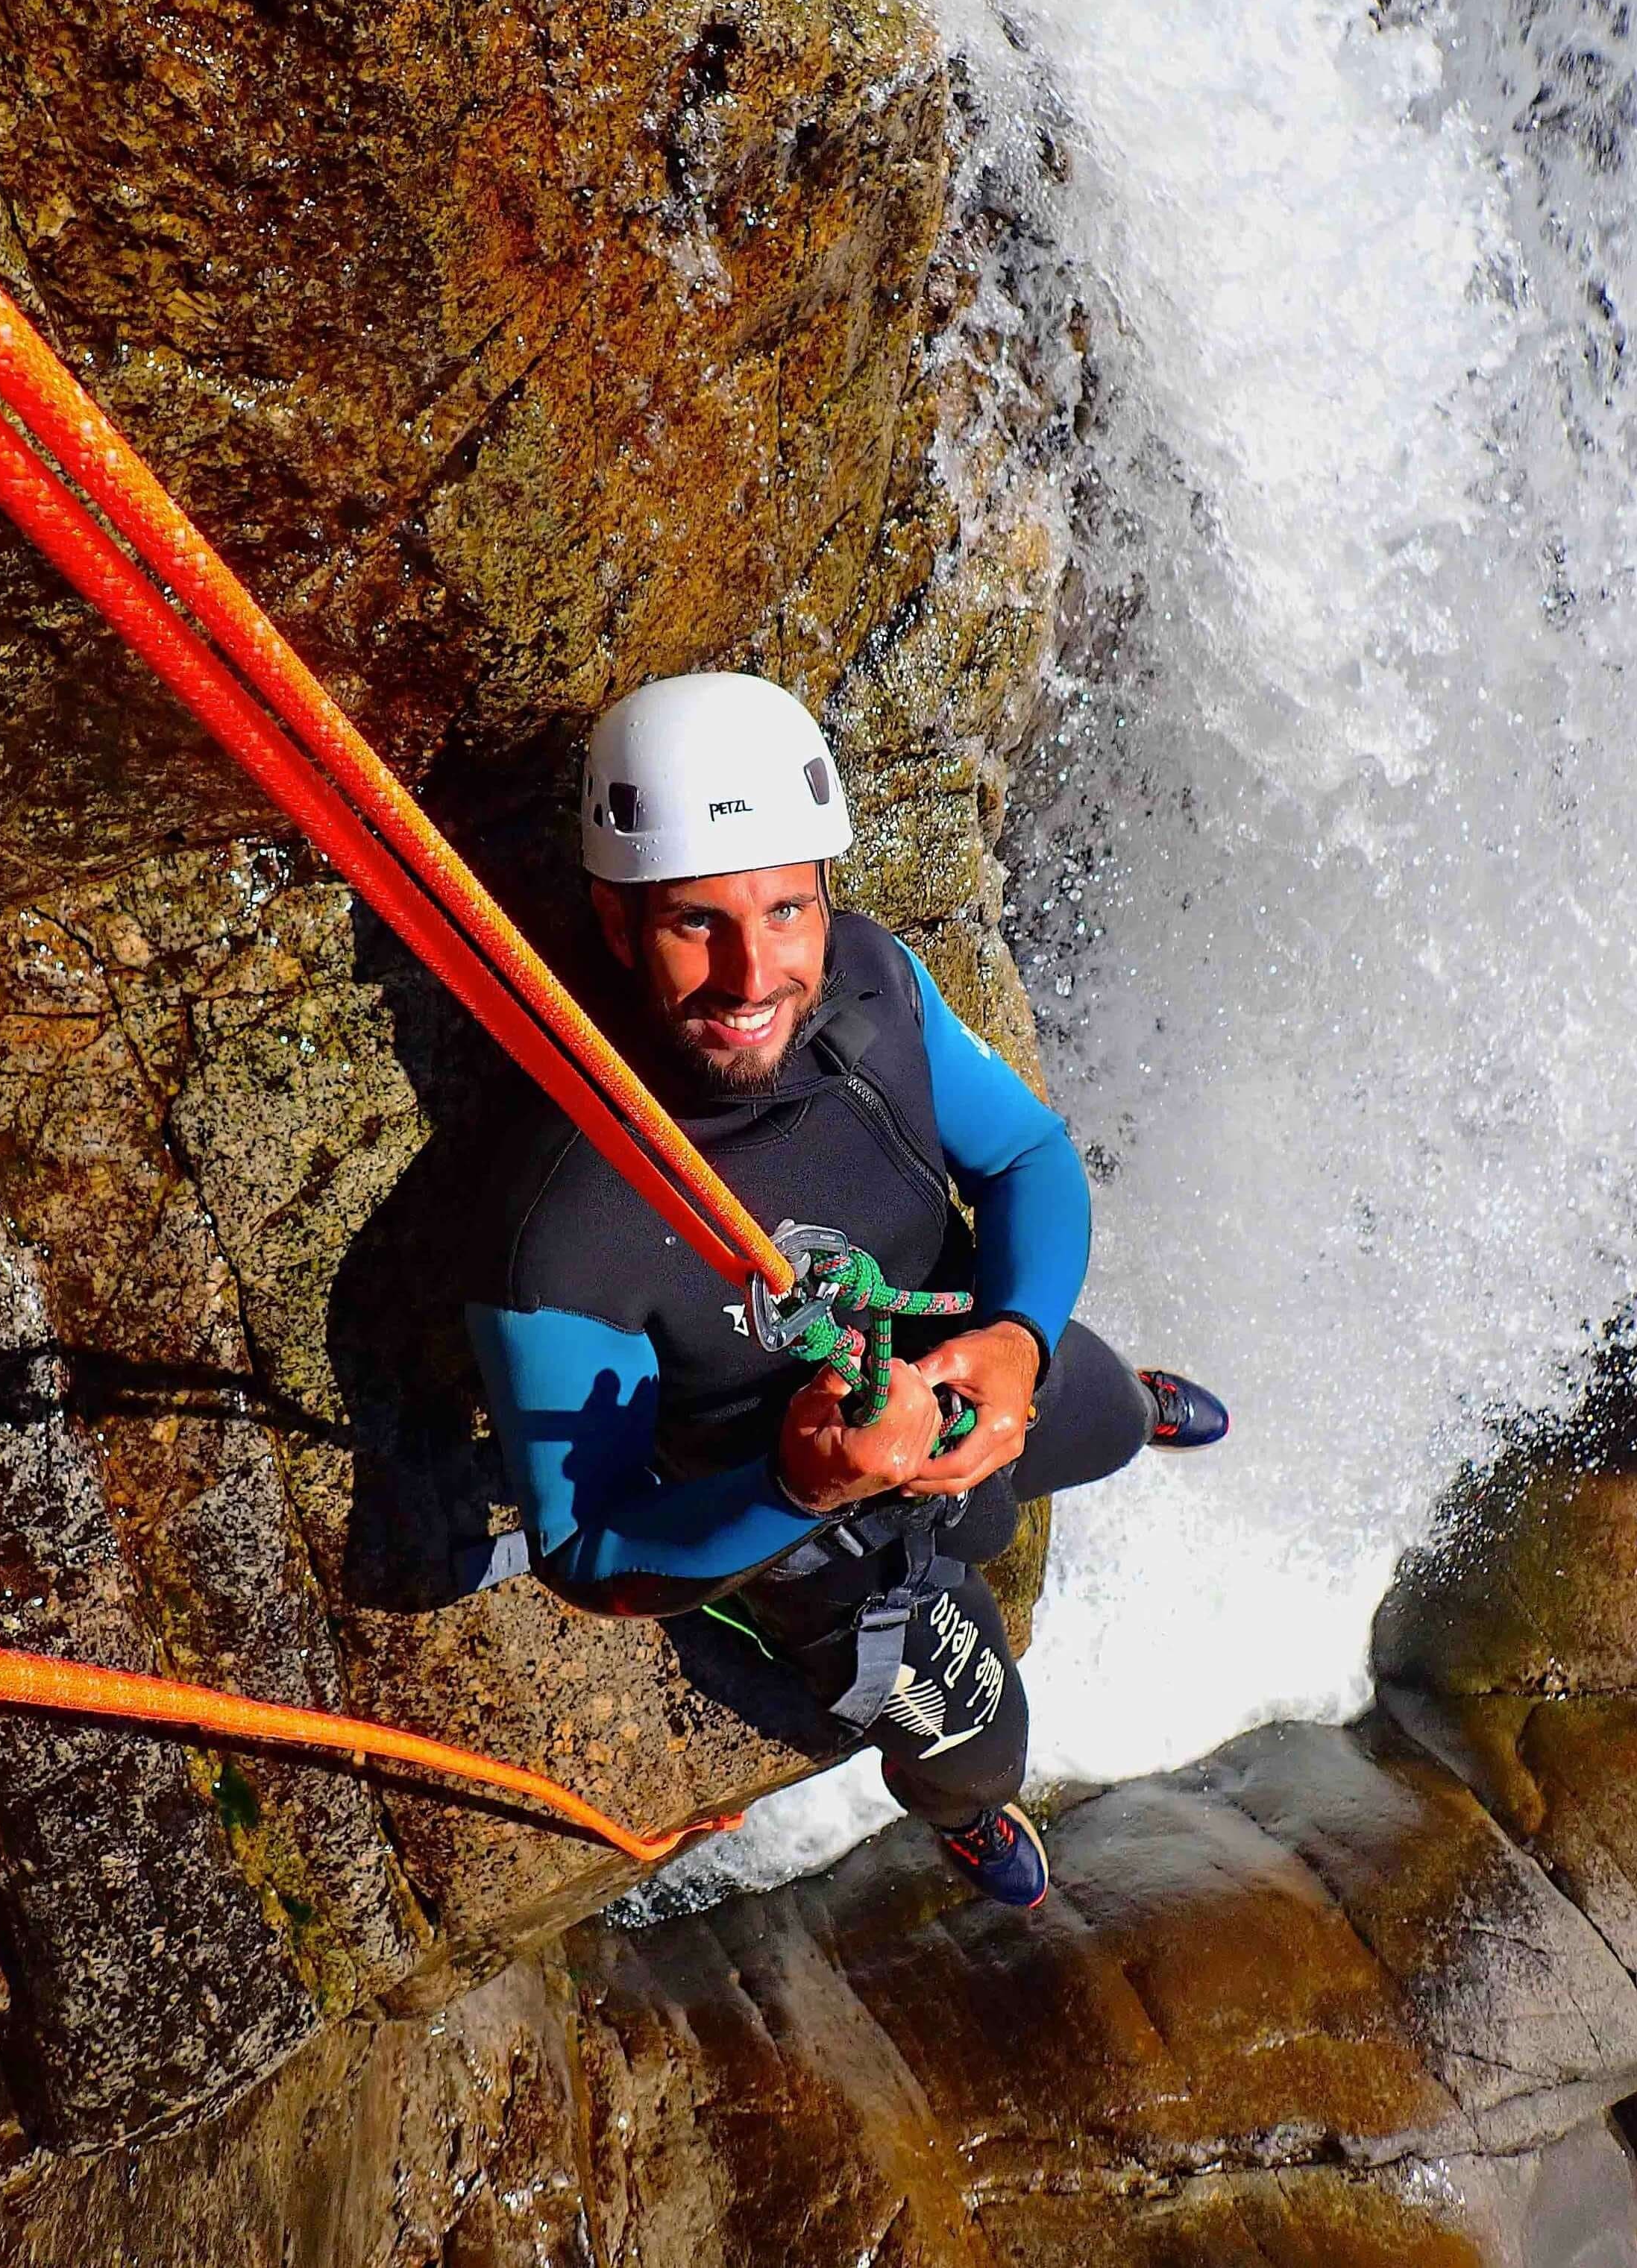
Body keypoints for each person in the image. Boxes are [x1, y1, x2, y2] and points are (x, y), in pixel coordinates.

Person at [466, 672, 1227, 1910]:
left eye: (784, 908)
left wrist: (1022, 1342)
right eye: (691, 922)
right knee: (978, 1743)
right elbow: (587, 1549)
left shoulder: (869, 987)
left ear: (825, 898)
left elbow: (1029, 1155)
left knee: (1110, 1416)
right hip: (824, 1531)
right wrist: (794, 1485)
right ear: (615, 924)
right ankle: (968, 1817)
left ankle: (1121, 1395)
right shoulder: (565, 1226)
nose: (750, 972)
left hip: (971, 1368)